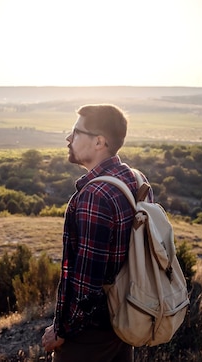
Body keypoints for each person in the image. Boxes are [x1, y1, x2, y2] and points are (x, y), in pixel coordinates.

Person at [41, 104, 152, 361]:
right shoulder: (134, 180)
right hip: (125, 320)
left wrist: (61, 329)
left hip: (90, 337)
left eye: (76, 132)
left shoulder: (95, 195)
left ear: (99, 141)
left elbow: (87, 283)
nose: (68, 139)